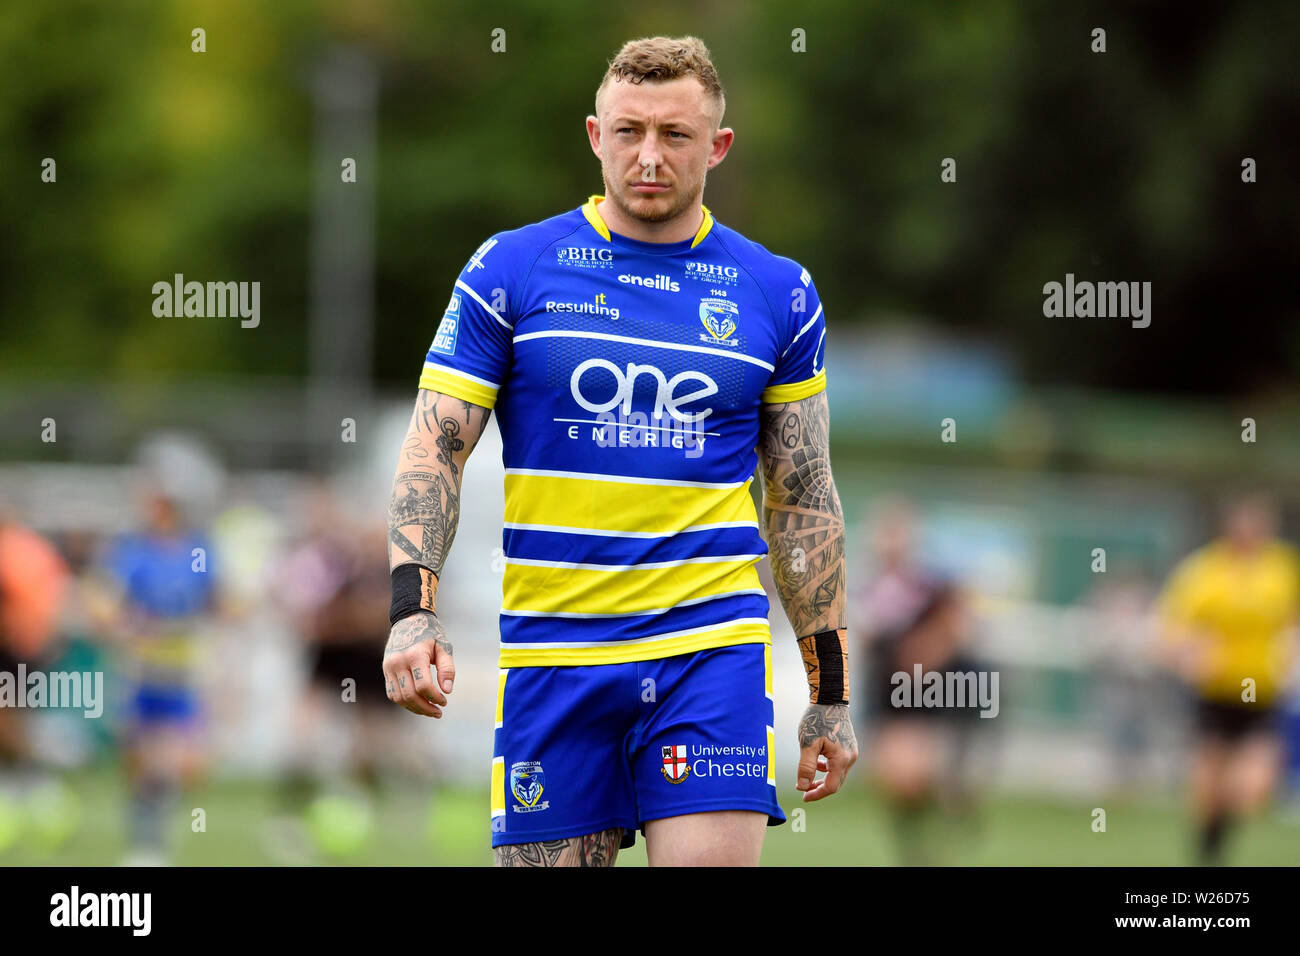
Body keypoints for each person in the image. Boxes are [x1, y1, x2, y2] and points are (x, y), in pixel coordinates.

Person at [381, 35, 856, 867]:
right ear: (596, 136)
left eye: (676, 135)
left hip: (710, 651)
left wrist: (831, 694)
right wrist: (411, 609)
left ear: (718, 146)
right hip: (555, 656)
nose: (649, 156)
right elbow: (434, 446)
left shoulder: (778, 291)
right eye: (629, 131)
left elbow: (804, 497)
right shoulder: (513, 268)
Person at [1155, 492, 1300, 865]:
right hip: (1215, 694)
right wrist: (1191, 657)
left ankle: (1221, 832)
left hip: (1262, 694)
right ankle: (1208, 850)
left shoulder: (1282, 570)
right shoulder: (1204, 572)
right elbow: (1170, 633)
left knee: (1251, 787)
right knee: (1208, 787)